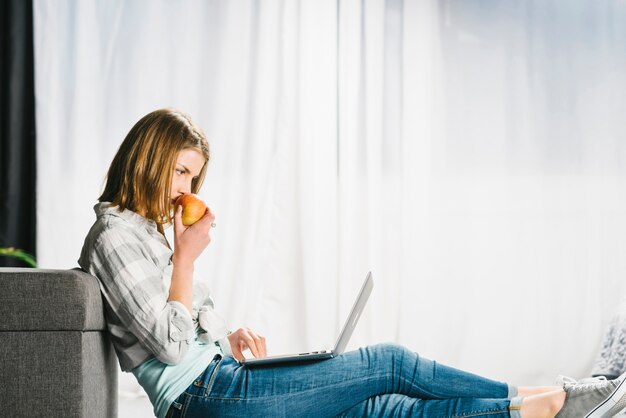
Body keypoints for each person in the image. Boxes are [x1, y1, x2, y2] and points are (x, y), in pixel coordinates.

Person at [79, 108, 626, 418]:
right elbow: (172, 349)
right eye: (179, 172)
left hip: (222, 380)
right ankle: (556, 401)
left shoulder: (151, 233)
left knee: (384, 411)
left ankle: (544, 405)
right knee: (389, 361)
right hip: (203, 401)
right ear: (148, 160)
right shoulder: (115, 237)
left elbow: (187, 331)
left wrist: (230, 335)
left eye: (193, 178)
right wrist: (187, 262)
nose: (186, 189)